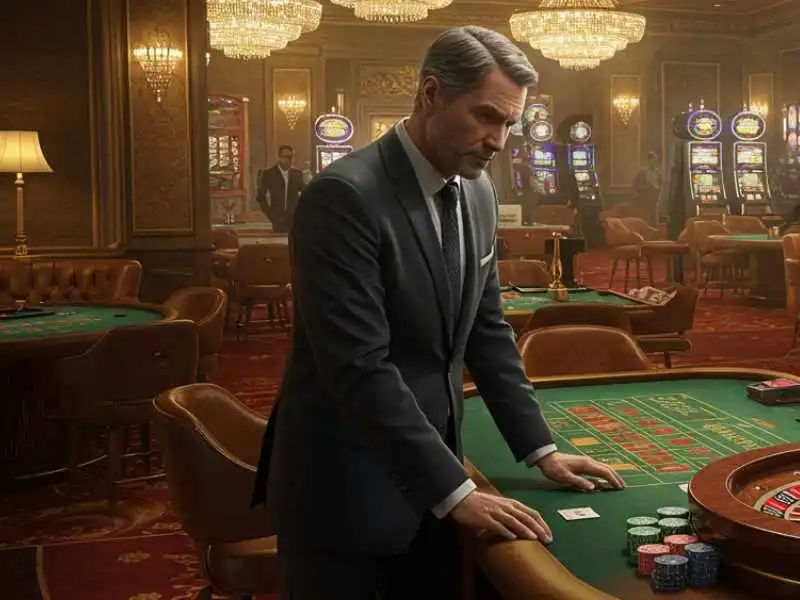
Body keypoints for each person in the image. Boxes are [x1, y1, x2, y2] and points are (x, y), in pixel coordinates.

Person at [251, 26, 625, 600]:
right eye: (485, 117)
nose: (498, 141)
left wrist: (539, 449)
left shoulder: (477, 191)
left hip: (435, 469)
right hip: (345, 485)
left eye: (508, 124)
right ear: (430, 94)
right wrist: (457, 490)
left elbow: (487, 328)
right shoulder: (344, 196)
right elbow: (359, 366)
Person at [255, 145, 306, 233]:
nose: (289, 160)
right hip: (277, 217)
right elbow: (260, 196)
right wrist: (269, 213)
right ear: (279, 157)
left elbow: (305, 192)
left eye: (291, 157)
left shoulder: (297, 174)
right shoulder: (269, 174)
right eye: (286, 157)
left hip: (293, 217)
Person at [632, 151, 663, 225]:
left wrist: (658, 190)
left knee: (655, 220)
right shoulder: (642, 173)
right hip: (644, 199)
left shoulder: (658, 173)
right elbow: (635, 184)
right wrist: (645, 188)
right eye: (651, 160)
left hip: (654, 199)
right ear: (647, 161)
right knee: (645, 219)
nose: (652, 163)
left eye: (654, 160)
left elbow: (661, 184)